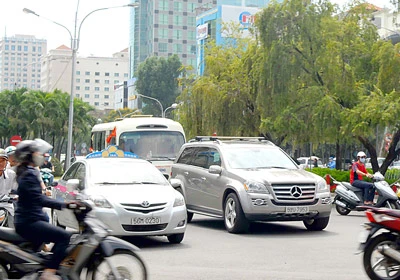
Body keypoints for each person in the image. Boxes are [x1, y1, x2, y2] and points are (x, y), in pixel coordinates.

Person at [14, 139, 74, 280]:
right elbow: (39, 199)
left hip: (30, 219)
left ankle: (48, 265)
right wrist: (64, 204)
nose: (41, 155)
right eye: (38, 153)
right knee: (64, 237)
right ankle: (50, 271)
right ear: (30, 156)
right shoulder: (29, 174)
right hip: (29, 222)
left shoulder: (29, 171)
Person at [0, 148, 18, 228]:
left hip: (7, 206)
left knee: (14, 228)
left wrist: (18, 196)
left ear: (6, 162)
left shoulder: (11, 174)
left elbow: (17, 189)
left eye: (3, 160)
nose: (0, 163)